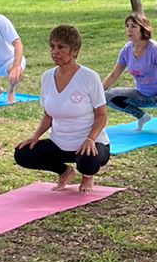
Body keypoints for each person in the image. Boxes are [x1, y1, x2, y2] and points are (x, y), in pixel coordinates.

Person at [15, 25, 111, 192]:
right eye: (52, 47)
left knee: (88, 159)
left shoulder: (89, 77)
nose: (55, 52)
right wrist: (36, 136)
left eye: (61, 47)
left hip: (89, 144)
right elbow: (48, 115)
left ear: (74, 50)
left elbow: (101, 115)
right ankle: (65, 171)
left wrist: (90, 139)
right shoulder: (46, 77)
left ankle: (88, 177)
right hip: (60, 143)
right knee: (22, 153)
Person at [101, 12, 157, 133]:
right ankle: (142, 117)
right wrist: (98, 92)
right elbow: (114, 75)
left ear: (143, 29)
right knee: (106, 96)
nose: (129, 30)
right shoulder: (126, 49)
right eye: (127, 26)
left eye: (133, 26)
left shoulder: (154, 48)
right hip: (141, 95)